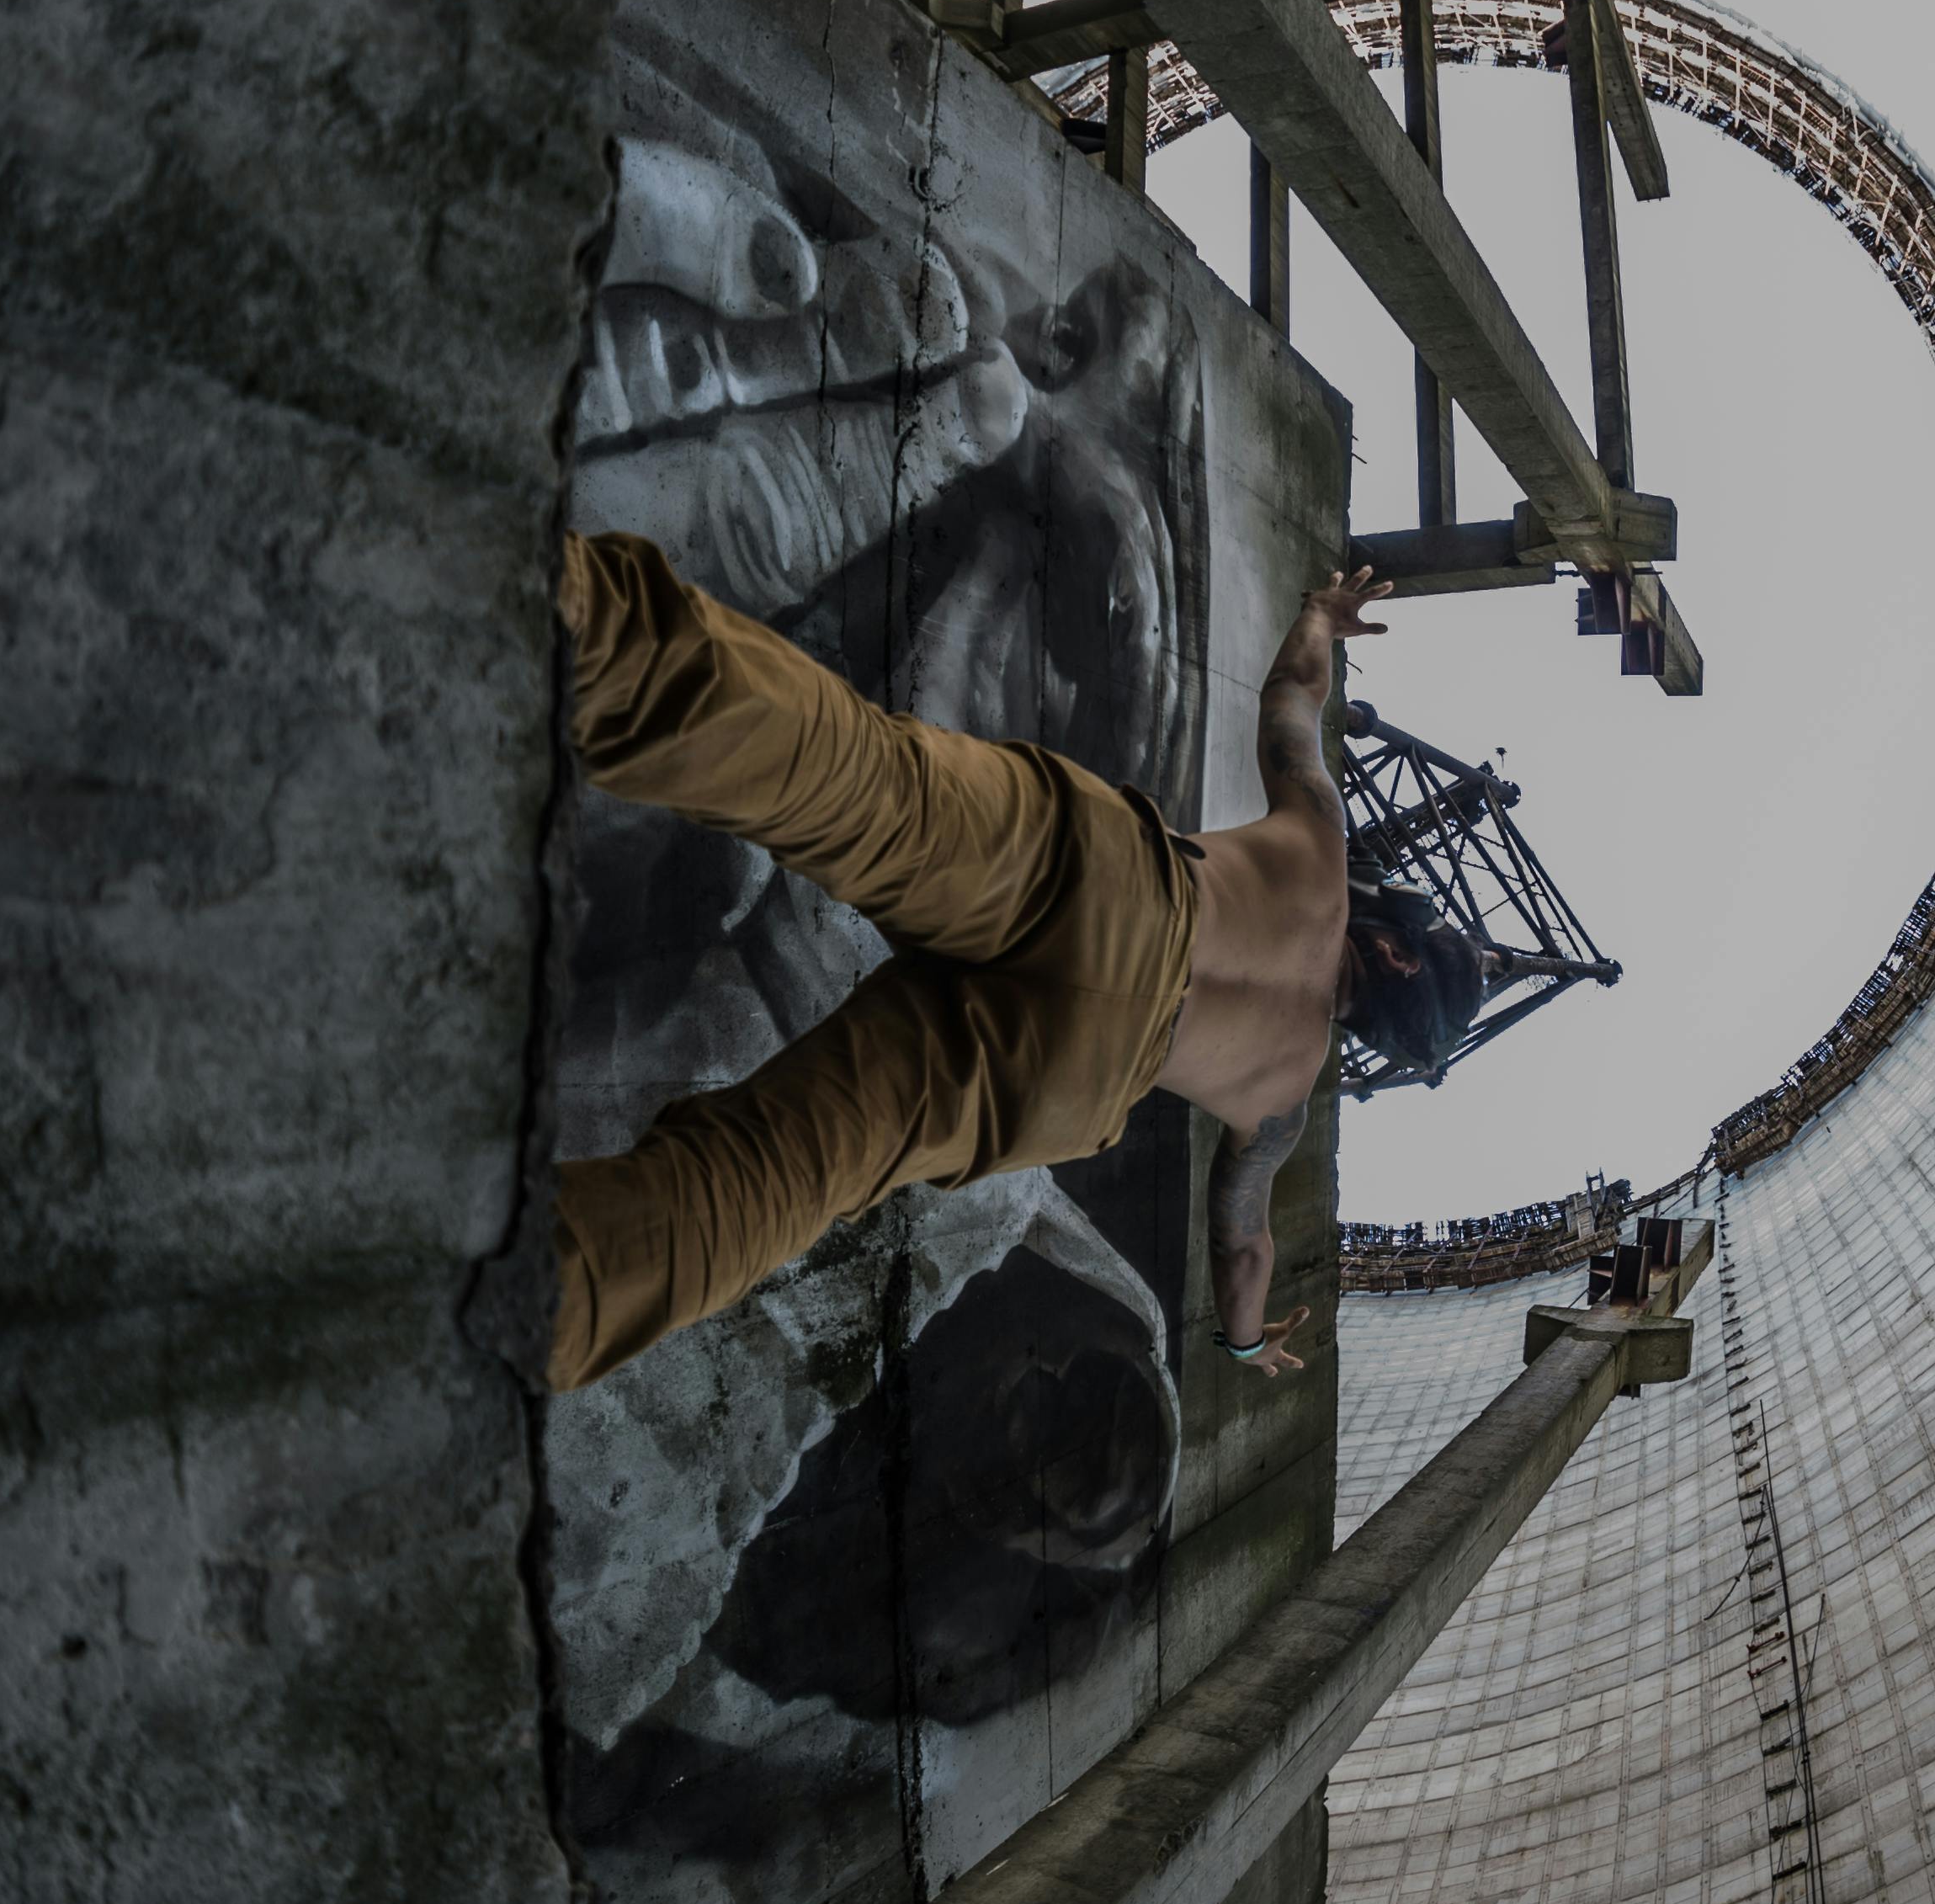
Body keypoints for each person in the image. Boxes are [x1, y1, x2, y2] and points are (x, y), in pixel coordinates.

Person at [547, 532, 1487, 1391]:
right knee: (784, 1173)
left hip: (1112, 892)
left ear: (1400, 957)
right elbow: (1242, 1244)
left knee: (844, 780)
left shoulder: (1323, 857)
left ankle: (565, 620)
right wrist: (1245, 1344)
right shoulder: (1283, 1099)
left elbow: (1293, 701)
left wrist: (1320, 617)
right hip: (1075, 1077)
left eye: (1412, 922)